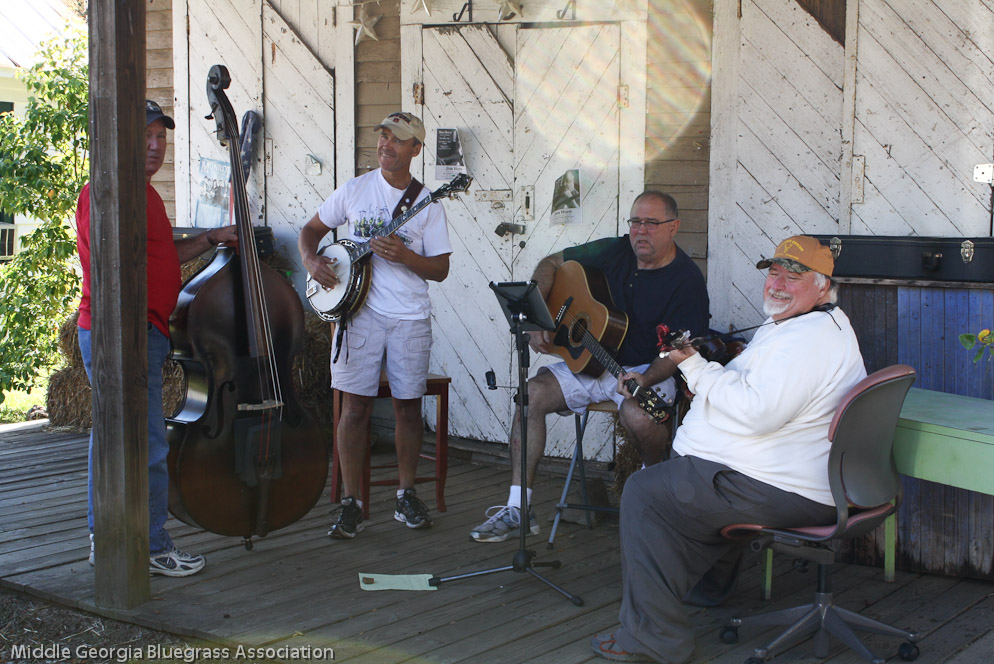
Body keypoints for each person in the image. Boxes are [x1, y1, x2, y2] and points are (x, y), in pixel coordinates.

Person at [589, 235, 867, 663]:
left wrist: (693, 366)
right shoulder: (812, 323)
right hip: (784, 478)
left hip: (778, 488)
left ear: (823, 285)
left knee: (645, 492)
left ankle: (653, 639)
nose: (778, 284)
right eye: (774, 273)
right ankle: (708, 589)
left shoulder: (804, 342)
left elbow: (758, 413)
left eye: (793, 277)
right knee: (686, 482)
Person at [470, 191, 709, 543]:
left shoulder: (686, 281)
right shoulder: (615, 249)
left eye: (651, 223)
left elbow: (678, 353)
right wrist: (538, 311)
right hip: (591, 363)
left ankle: (653, 494)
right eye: (635, 222)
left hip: (645, 369)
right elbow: (551, 263)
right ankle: (518, 508)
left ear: (674, 227)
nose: (641, 231)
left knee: (640, 415)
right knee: (530, 396)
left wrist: (645, 378)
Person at [77, 100, 238, 576]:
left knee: (119, 438)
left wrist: (210, 239)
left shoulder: (144, 194)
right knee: (144, 443)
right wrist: (129, 334)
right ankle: (148, 545)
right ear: (119, 141)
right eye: (144, 136)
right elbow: (108, 265)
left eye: (160, 137)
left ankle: (109, 538)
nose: (154, 146)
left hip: (142, 331)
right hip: (122, 333)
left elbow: (161, 255)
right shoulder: (107, 191)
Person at [298, 111, 452, 539]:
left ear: (415, 149)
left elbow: (441, 269)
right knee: (355, 408)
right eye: (383, 136)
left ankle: (405, 495)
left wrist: (407, 257)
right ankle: (352, 503)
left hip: (409, 318)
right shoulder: (355, 190)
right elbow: (311, 230)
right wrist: (311, 261)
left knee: (408, 407)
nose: (386, 144)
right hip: (359, 314)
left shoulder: (429, 204)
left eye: (397, 139)